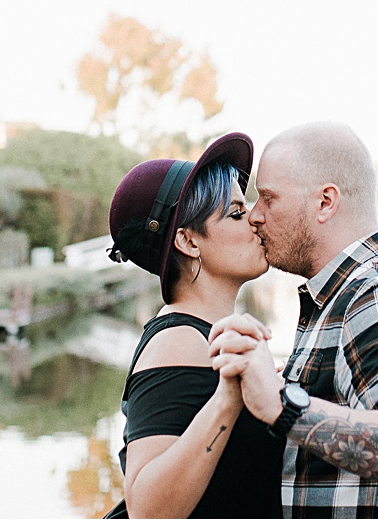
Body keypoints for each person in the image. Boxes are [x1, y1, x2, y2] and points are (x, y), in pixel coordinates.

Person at [209, 121, 378, 518]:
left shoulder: (376, 295)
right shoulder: (343, 295)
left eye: (268, 198)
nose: (255, 215)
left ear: (325, 202)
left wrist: (283, 405)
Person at [106, 132, 283, 518]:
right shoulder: (180, 340)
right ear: (188, 241)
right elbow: (147, 511)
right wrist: (228, 397)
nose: (255, 217)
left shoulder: (207, 333)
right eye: (236, 213)